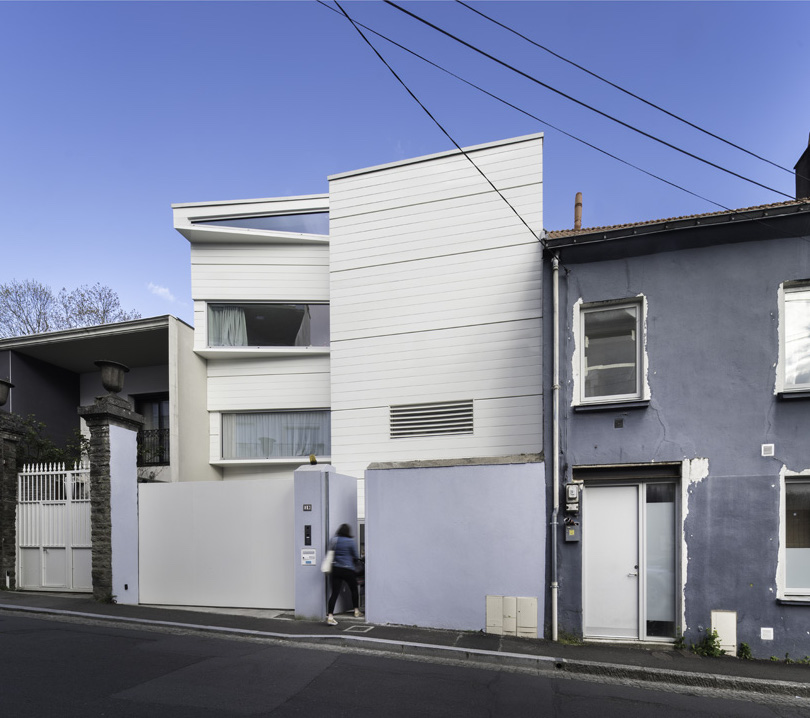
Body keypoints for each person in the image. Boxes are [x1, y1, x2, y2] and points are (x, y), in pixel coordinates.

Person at [326, 523, 361, 626]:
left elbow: (330, 552)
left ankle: (330, 616)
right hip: (348, 569)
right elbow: (355, 556)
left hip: (336, 569)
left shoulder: (334, 540)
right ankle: (356, 611)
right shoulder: (350, 542)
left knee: (335, 593)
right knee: (354, 589)